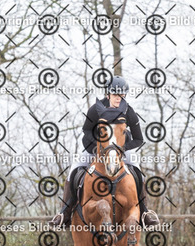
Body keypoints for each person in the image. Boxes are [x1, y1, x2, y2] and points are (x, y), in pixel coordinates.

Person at [49, 76, 160, 229]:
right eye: (115, 94)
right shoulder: (95, 109)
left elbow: (138, 139)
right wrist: (99, 146)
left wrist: (121, 148)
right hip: (93, 148)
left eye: (122, 95)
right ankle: (64, 213)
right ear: (108, 94)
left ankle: (144, 213)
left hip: (120, 150)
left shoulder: (129, 112)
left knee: (138, 172)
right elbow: (86, 130)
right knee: (73, 170)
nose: (119, 98)